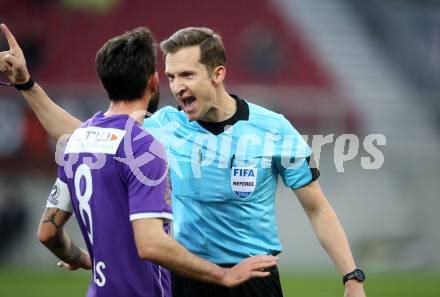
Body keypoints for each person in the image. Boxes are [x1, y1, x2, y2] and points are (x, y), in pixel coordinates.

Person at [0, 24, 367, 297]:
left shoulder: (273, 129)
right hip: (184, 277)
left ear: (218, 74)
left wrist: (351, 277)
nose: (177, 87)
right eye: (172, 76)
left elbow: (317, 208)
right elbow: (84, 137)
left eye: (188, 75)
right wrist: (28, 85)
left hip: (254, 279)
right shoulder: (161, 126)